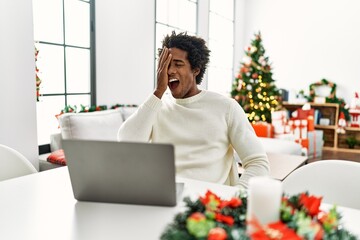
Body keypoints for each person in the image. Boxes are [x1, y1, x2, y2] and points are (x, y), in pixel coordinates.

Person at [118, 31, 269, 189]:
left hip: (209, 203)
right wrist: (158, 92)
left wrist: (234, 197)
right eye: (166, 65)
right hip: (165, 196)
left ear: (196, 69)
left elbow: (258, 163)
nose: (169, 71)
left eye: (178, 64)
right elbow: (126, 143)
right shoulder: (156, 106)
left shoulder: (226, 107)